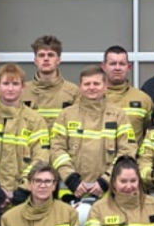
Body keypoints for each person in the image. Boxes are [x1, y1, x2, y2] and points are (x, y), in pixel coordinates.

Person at [0, 63, 54, 209]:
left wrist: (24, 188)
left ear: (23, 87)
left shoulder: (35, 120)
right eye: (6, 83)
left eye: (15, 84)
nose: (10, 88)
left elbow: (40, 158)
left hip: (25, 198)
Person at [52, 66, 137, 204]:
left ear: (105, 86)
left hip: (108, 192)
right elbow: (56, 149)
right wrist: (71, 180)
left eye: (96, 83)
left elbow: (127, 151)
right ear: (80, 87)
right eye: (87, 84)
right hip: (70, 191)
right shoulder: (66, 115)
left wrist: (106, 181)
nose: (91, 87)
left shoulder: (118, 115)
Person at [102, 45, 154, 137]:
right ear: (103, 66)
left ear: (129, 67)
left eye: (122, 64)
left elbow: (151, 133)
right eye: (112, 64)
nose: (117, 68)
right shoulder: (91, 97)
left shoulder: (143, 99)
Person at [24, 35, 79, 124]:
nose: (46, 59)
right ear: (35, 60)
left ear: (58, 60)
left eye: (50, 55)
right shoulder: (22, 91)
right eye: (41, 55)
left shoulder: (73, 92)